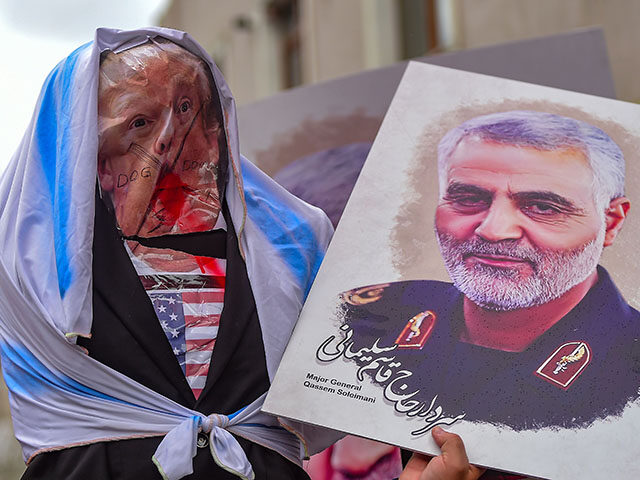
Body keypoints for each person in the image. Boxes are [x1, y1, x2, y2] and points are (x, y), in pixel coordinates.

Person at [0, 27, 339, 479]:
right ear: (86, 149)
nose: (169, 140)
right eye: (138, 122)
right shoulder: (33, 269)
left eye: (186, 109)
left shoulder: (291, 251)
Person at [339, 110, 640, 431]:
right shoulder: (362, 320)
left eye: (542, 207)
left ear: (611, 222)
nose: (494, 230)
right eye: (469, 198)